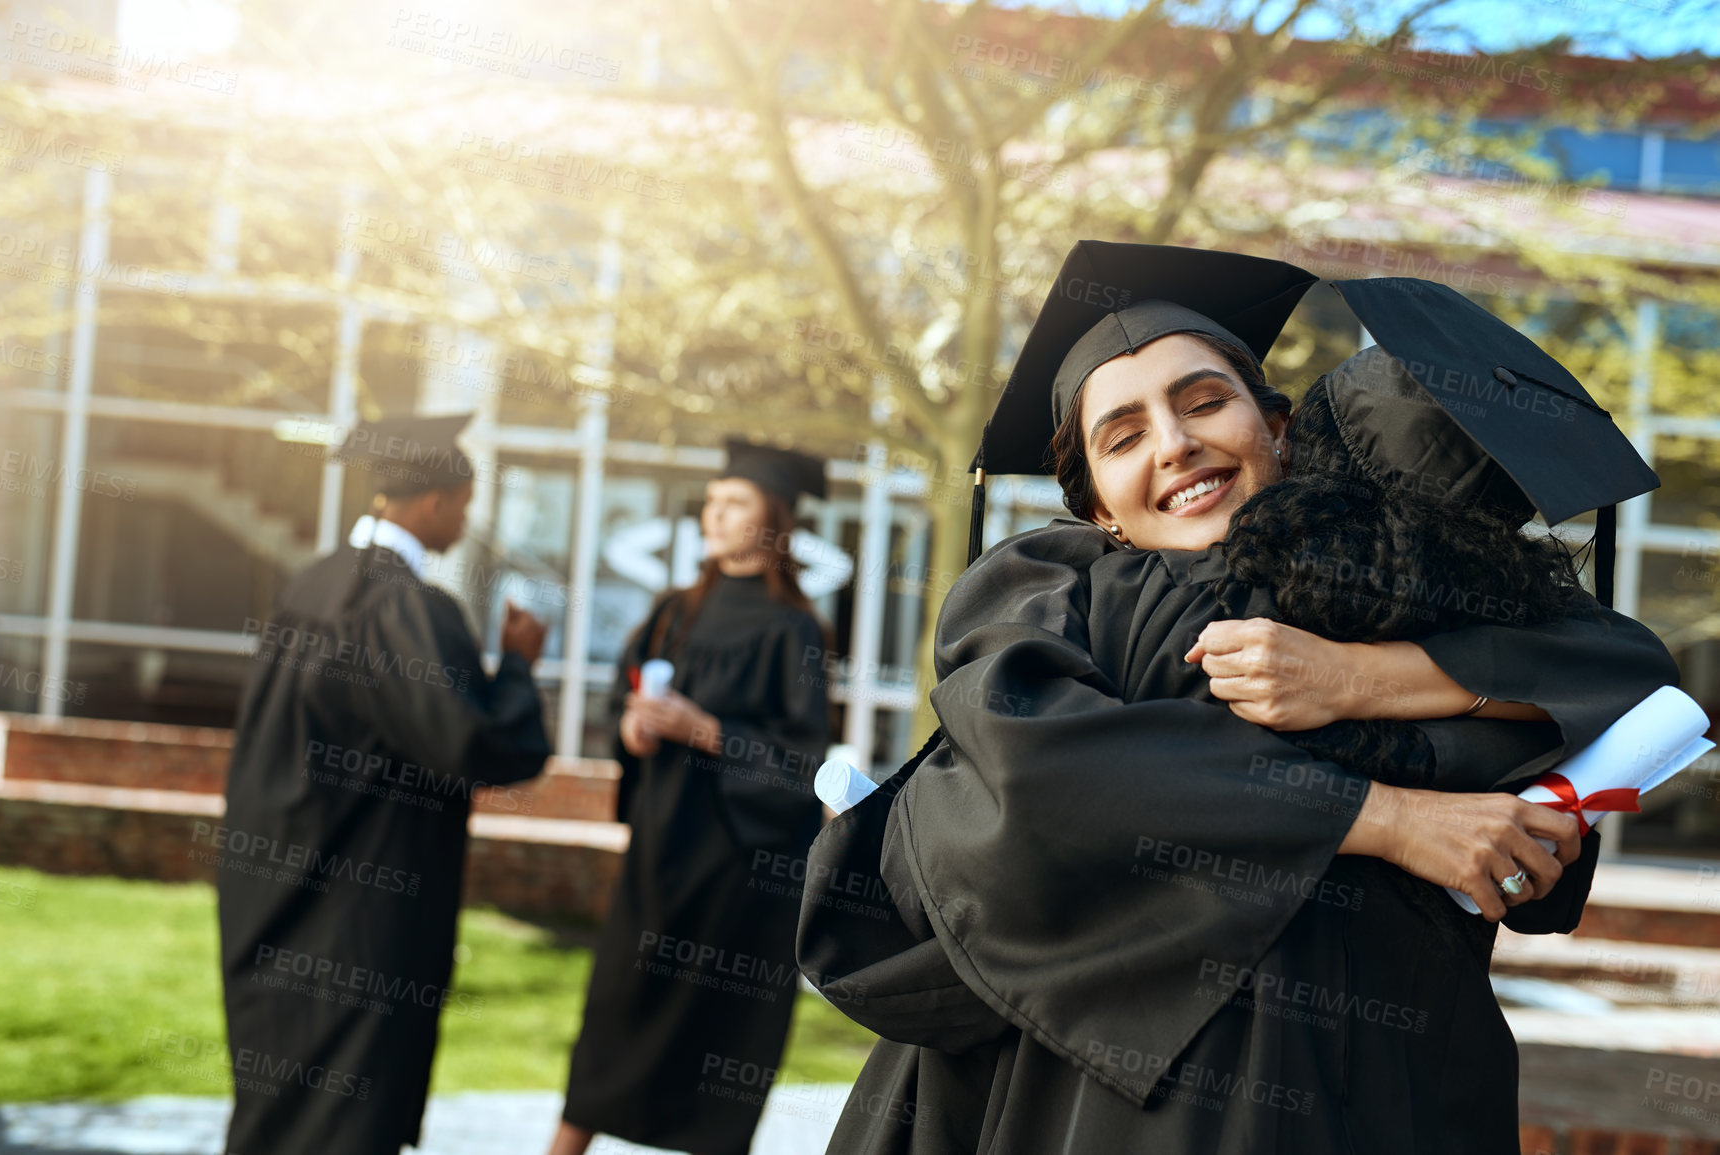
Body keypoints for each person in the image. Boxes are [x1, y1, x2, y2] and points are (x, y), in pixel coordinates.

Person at [798, 246, 1679, 1153]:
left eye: (1202, 401)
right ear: (1095, 505)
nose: (1174, 443)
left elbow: (1623, 674)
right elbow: (1050, 763)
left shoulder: (1382, 594)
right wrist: (1390, 816)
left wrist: (1347, 677)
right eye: (1124, 434)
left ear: (1277, 428)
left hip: (1378, 1067)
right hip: (1101, 1090)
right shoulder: (1057, 594)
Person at [218, 413, 550, 1155]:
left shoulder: (312, 583)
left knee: (280, 1098)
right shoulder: (405, 607)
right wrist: (518, 663)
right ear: (434, 501)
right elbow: (475, 743)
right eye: (464, 502)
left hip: (278, 882)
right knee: (347, 1105)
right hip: (362, 904)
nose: (465, 518)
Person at [549, 438, 833, 1155]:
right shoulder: (673, 609)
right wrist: (634, 728)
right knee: (617, 1008)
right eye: (709, 502)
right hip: (660, 853)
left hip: (738, 871)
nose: (713, 514)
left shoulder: (795, 628)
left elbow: (801, 764)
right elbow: (628, 695)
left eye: (733, 502)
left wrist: (706, 730)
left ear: (772, 520)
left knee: (719, 1037)